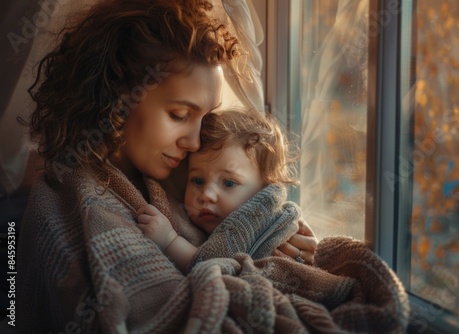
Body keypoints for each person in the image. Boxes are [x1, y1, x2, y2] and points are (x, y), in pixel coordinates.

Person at [15, 0, 318, 331]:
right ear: (117, 97)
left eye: (204, 118)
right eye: (180, 115)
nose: (196, 142)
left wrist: (278, 243)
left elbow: (242, 230)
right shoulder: (74, 202)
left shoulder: (180, 173)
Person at [137, 108, 304, 272]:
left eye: (229, 183)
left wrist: (169, 240)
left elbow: (212, 265)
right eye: (198, 180)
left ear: (264, 190)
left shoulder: (252, 221)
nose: (206, 195)